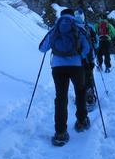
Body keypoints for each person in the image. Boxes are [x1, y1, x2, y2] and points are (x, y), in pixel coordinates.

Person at [39, 8, 92, 146]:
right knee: (80, 92)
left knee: (61, 97)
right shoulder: (78, 28)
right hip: (76, 66)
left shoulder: (55, 29)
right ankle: (82, 121)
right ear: (72, 15)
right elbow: (87, 48)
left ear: (60, 16)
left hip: (58, 68)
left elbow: (42, 48)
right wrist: (81, 56)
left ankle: (60, 133)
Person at [74, 8, 98, 109]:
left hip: (75, 59)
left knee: (78, 78)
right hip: (88, 57)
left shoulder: (72, 27)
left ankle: (79, 97)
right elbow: (96, 43)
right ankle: (89, 97)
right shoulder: (90, 27)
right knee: (89, 76)